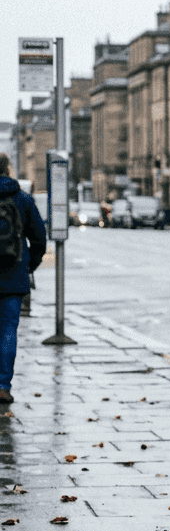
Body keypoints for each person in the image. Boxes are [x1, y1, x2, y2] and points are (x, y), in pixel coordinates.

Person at [0, 153, 46, 405]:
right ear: (8, 170)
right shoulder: (23, 200)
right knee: (8, 330)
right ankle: (3, 386)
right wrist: (28, 267)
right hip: (14, 274)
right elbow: (39, 238)